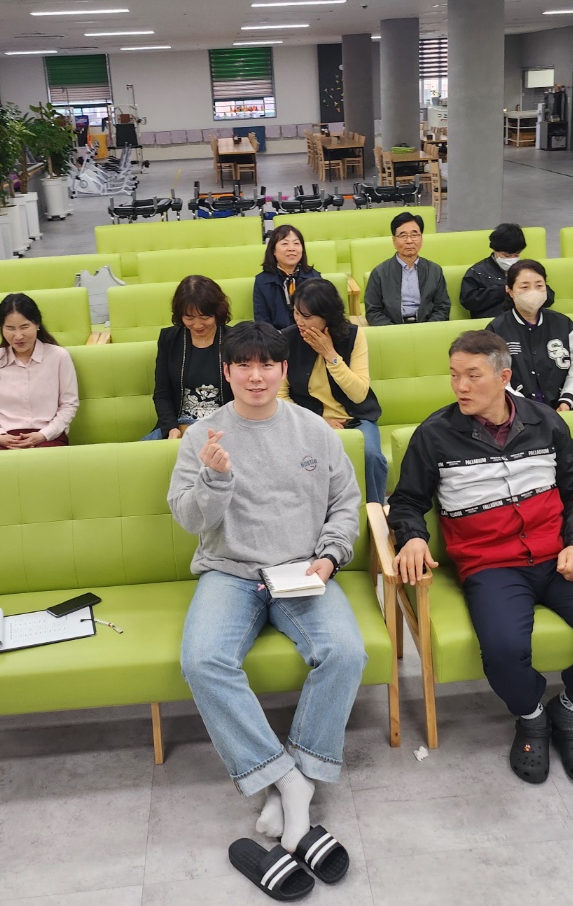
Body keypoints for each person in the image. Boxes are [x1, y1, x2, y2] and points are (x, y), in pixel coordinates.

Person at [388, 330, 573, 786]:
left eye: (473, 376)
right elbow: (407, 501)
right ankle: (531, 715)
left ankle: (569, 708)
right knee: (505, 652)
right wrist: (411, 537)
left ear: (503, 376)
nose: (460, 386)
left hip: (557, 558)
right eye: (454, 375)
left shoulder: (546, 422)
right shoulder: (434, 435)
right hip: (491, 567)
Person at [170, 321, 363, 891]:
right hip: (230, 572)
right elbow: (189, 519)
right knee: (202, 659)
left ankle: (296, 777)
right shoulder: (202, 436)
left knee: (345, 652)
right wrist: (215, 479)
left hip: (302, 569)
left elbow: (346, 503)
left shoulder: (313, 429)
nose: (256, 376)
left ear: (283, 369)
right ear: (226, 371)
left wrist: (329, 557)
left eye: (268, 365)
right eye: (244, 365)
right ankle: (287, 779)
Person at [278, 278, 388, 504]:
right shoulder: (286, 339)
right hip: (309, 422)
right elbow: (280, 396)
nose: (299, 321)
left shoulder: (353, 336)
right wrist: (318, 422)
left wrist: (330, 355)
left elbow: (359, 394)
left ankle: (375, 513)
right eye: (296, 313)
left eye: (307, 316)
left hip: (355, 418)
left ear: (327, 316)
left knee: (371, 455)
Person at [0, 293, 78, 450]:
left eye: (24, 327)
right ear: (1, 328)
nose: (18, 336)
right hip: (5, 438)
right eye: (10, 328)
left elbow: (69, 405)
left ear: (37, 324)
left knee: (44, 460)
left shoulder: (59, 356)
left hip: (48, 436)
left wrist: (44, 435)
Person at [486, 260, 573, 411]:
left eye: (539, 286)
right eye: (524, 287)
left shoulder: (564, 325)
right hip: (517, 412)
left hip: (563, 410)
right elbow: (493, 375)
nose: (533, 292)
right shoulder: (496, 330)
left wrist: (568, 400)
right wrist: (521, 406)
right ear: (509, 291)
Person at [148, 275, 232, 440]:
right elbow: (162, 393)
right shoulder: (169, 339)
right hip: (178, 425)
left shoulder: (233, 339)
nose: (198, 325)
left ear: (217, 312)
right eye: (189, 318)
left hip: (222, 427)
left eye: (205, 317)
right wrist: (171, 428)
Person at [364, 211, 450, 325]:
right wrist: (394, 331)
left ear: (421, 238)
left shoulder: (434, 271)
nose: (409, 241)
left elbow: (442, 307)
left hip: (427, 327)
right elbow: (373, 311)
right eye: (403, 235)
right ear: (394, 241)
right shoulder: (379, 273)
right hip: (393, 329)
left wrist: (428, 328)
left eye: (414, 235)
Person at [459, 222, 554, 319]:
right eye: (506, 256)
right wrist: (502, 290)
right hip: (492, 322)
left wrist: (531, 288)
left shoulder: (526, 270)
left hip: (527, 320)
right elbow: (468, 302)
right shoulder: (477, 272)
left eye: (516, 255)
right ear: (495, 250)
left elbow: (549, 299)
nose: (512, 259)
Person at [253, 223, 320, 331]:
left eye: (296, 243)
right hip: (275, 337)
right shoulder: (262, 281)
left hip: (309, 334)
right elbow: (262, 321)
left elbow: (321, 314)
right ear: (273, 250)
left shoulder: (314, 277)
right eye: (285, 244)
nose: (291, 248)